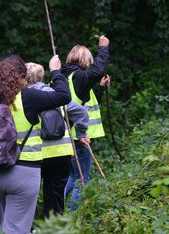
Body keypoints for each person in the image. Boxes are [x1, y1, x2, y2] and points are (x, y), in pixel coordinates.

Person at [0, 55, 70, 234]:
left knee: (2, 226)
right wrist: (56, 71)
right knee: (17, 229)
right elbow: (63, 96)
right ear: (22, 75)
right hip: (24, 172)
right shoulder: (28, 97)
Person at [25, 62, 89, 217]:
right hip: (61, 154)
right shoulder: (56, 95)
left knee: (27, 199)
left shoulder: (23, 97)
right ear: (41, 76)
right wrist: (81, 134)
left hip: (34, 155)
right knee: (55, 200)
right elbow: (81, 112)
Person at [63, 35, 111, 211]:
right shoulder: (79, 77)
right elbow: (98, 70)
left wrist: (99, 88)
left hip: (68, 136)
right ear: (85, 60)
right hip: (81, 137)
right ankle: (73, 218)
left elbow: (83, 101)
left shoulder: (64, 78)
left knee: (72, 177)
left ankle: (55, 213)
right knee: (82, 179)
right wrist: (103, 47)